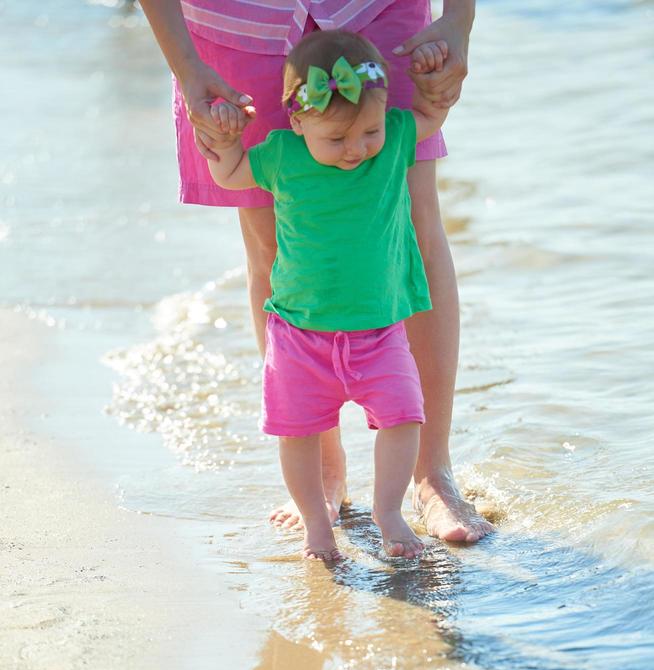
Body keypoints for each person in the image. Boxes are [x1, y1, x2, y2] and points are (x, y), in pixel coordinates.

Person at [139, 0, 494, 544]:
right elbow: (233, 171)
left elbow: (427, 116)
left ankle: (430, 472)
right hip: (236, 21)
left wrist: (459, 19)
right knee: (269, 247)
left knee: (413, 224)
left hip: (379, 12)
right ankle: (322, 468)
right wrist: (186, 66)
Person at [208, 30, 448, 561]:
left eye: (368, 131)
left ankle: (389, 512)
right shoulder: (281, 155)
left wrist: (433, 85)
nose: (357, 149)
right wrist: (225, 144)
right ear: (298, 123)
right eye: (336, 140)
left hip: (379, 330)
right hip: (299, 336)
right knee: (297, 435)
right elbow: (229, 176)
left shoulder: (393, 142)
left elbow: (430, 118)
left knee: (406, 418)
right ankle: (317, 522)